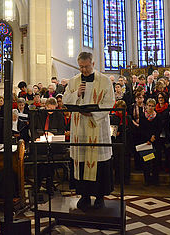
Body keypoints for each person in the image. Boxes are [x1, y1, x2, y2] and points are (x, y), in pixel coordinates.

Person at [63, 52, 114, 210]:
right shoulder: (73, 81)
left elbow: (110, 101)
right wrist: (76, 94)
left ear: (93, 63)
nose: (83, 70)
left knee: (99, 163)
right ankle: (84, 195)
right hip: (80, 129)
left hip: (97, 127)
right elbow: (65, 99)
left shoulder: (105, 80)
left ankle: (100, 197)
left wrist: (93, 113)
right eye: (81, 67)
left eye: (86, 66)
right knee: (82, 162)